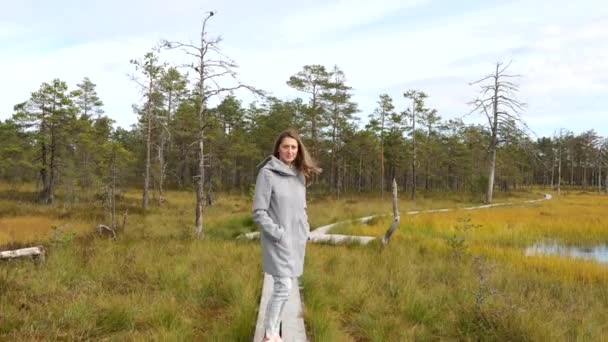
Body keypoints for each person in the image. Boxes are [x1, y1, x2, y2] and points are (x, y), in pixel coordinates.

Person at [252, 129, 321, 342]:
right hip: (277, 240)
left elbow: (303, 208)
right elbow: (258, 212)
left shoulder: (299, 175)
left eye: (293, 147)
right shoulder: (267, 173)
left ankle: (272, 331)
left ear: (298, 150)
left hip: (296, 240)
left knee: (286, 287)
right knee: (283, 287)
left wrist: (305, 229)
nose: (290, 151)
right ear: (278, 149)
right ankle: (270, 334)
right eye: (285, 147)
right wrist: (278, 234)